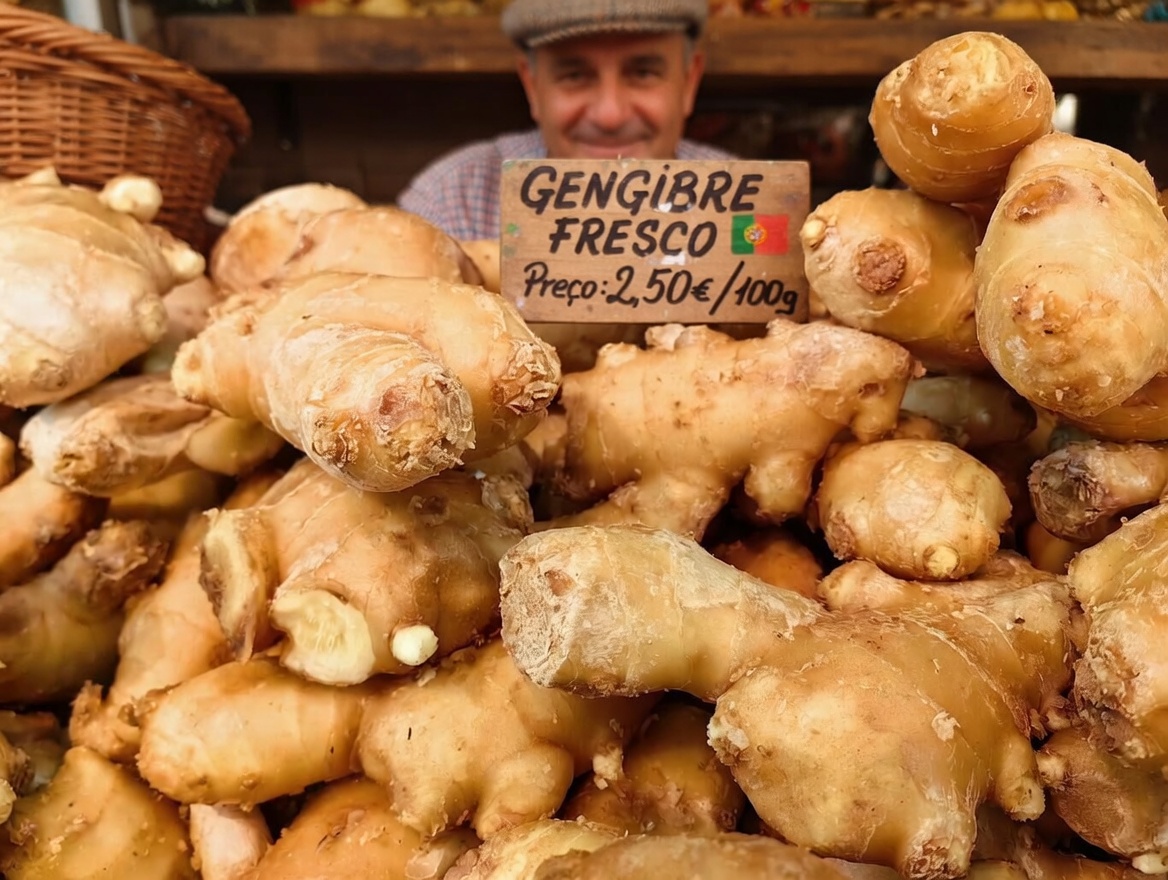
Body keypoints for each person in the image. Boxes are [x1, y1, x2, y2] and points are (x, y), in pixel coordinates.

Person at [397, 0, 734, 241]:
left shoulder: (745, 204)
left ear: (689, 82)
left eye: (643, 73)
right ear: (532, 86)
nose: (609, 115)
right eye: (574, 75)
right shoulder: (452, 204)